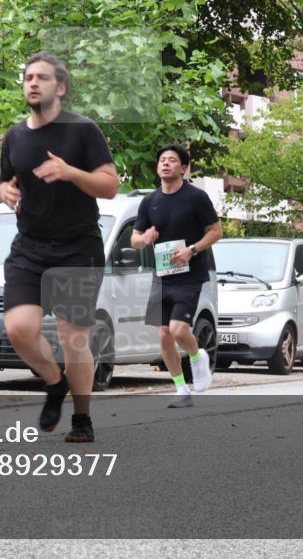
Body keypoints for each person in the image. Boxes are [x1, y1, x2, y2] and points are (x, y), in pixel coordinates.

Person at [0, 51, 119, 443]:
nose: (32, 83)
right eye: (28, 77)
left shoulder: (82, 131)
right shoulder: (14, 136)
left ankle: (82, 418)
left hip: (76, 247)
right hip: (30, 247)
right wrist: (3, 189)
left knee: (73, 339)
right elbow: (6, 181)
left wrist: (69, 172)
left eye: (42, 78)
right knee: (18, 329)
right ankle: (54, 381)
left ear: (60, 87)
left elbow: (109, 185)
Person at [130, 145, 222, 408]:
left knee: (178, 329)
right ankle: (182, 389)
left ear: (183, 168)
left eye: (172, 160)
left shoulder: (196, 197)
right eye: (162, 160)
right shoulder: (150, 202)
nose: (166, 164)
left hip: (189, 276)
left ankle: (197, 355)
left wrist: (192, 250)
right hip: (162, 276)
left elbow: (216, 231)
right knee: (163, 335)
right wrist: (144, 238)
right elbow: (135, 240)